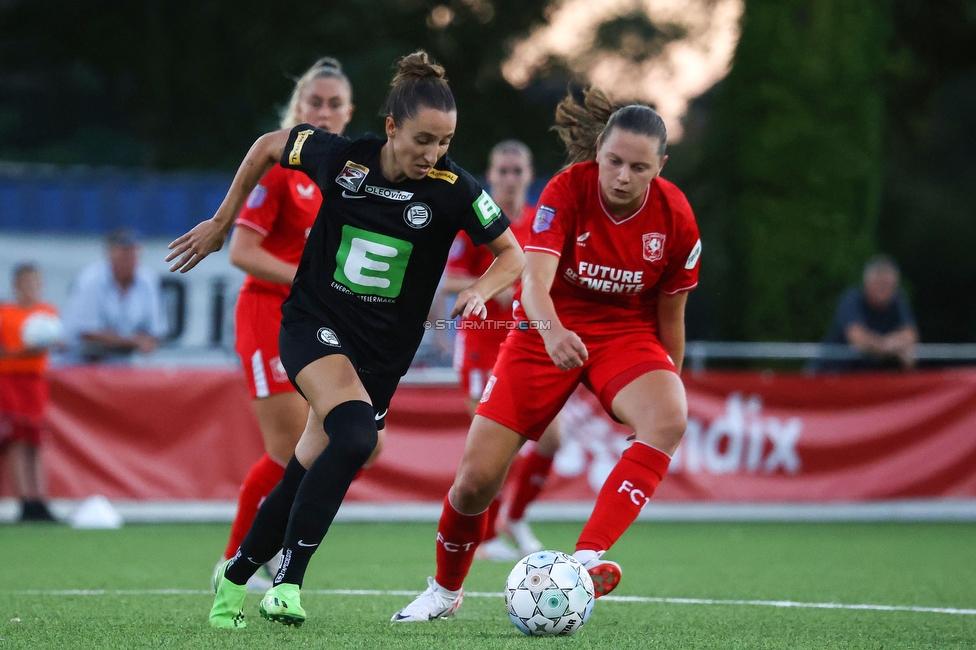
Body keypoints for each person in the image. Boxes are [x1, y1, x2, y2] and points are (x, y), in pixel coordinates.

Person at [166, 51, 524, 629]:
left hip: (380, 357)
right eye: (422, 140)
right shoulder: (342, 157)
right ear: (390, 127)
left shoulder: (456, 187)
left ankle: (233, 582)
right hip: (312, 324)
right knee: (356, 435)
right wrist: (222, 220)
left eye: (445, 142)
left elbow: (513, 255)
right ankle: (287, 584)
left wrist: (483, 289)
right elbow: (265, 146)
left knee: (306, 465)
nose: (433, 155)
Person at [392, 87, 702, 622]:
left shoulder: (677, 218)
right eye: (614, 162)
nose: (623, 177)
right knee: (473, 483)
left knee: (671, 416)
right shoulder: (565, 190)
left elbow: (670, 320)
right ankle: (443, 592)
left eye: (639, 167)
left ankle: (583, 563)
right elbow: (533, 284)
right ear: (598, 150)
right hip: (543, 330)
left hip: (624, 334)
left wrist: (659, 394)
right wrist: (553, 330)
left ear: (661, 167)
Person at [218, 57, 361, 592]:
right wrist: (309, 278)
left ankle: (264, 548)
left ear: (349, 113)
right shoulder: (281, 168)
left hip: (314, 323)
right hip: (267, 315)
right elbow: (243, 252)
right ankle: (235, 562)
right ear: (297, 108)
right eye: (313, 103)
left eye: (333, 104)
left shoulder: (352, 176)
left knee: (358, 442)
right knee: (287, 451)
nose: (322, 113)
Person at [444, 139, 558, 561]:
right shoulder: (477, 221)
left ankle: (516, 517)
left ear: (529, 176)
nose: (510, 179)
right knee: (494, 446)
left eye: (518, 171)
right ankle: (486, 536)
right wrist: (494, 289)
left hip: (526, 346)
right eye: (503, 171)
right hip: (480, 343)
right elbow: (451, 279)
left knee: (551, 440)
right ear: (490, 176)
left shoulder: (541, 224)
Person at [0, 264, 61, 522]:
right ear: (16, 285)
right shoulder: (5, 313)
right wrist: (24, 352)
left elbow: (56, 341)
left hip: (36, 383)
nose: (30, 288)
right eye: (25, 283)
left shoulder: (46, 313)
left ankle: (40, 500)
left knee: (35, 442)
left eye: (34, 283)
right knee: (16, 441)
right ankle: (24, 501)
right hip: (9, 381)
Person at [61, 228, 168, 364]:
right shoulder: (91, 279)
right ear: (109, 253)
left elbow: (156, 331)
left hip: (121, 366)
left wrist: (143, 341)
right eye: (124, 253)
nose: (129, 258)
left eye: (133, 252)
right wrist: (134, 341)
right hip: (79, 365)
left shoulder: (148, 280)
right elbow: (87, 332)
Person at [817, 255, 918, 371]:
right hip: (831, 373)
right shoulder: (851, 299)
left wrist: (882, 346)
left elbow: (910, 334)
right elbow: (857, 337)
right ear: (867, 284)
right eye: (881, 284)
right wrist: (889, 346)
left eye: (890, 286)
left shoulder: (898, 301)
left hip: (865, 375)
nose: (886, 290)